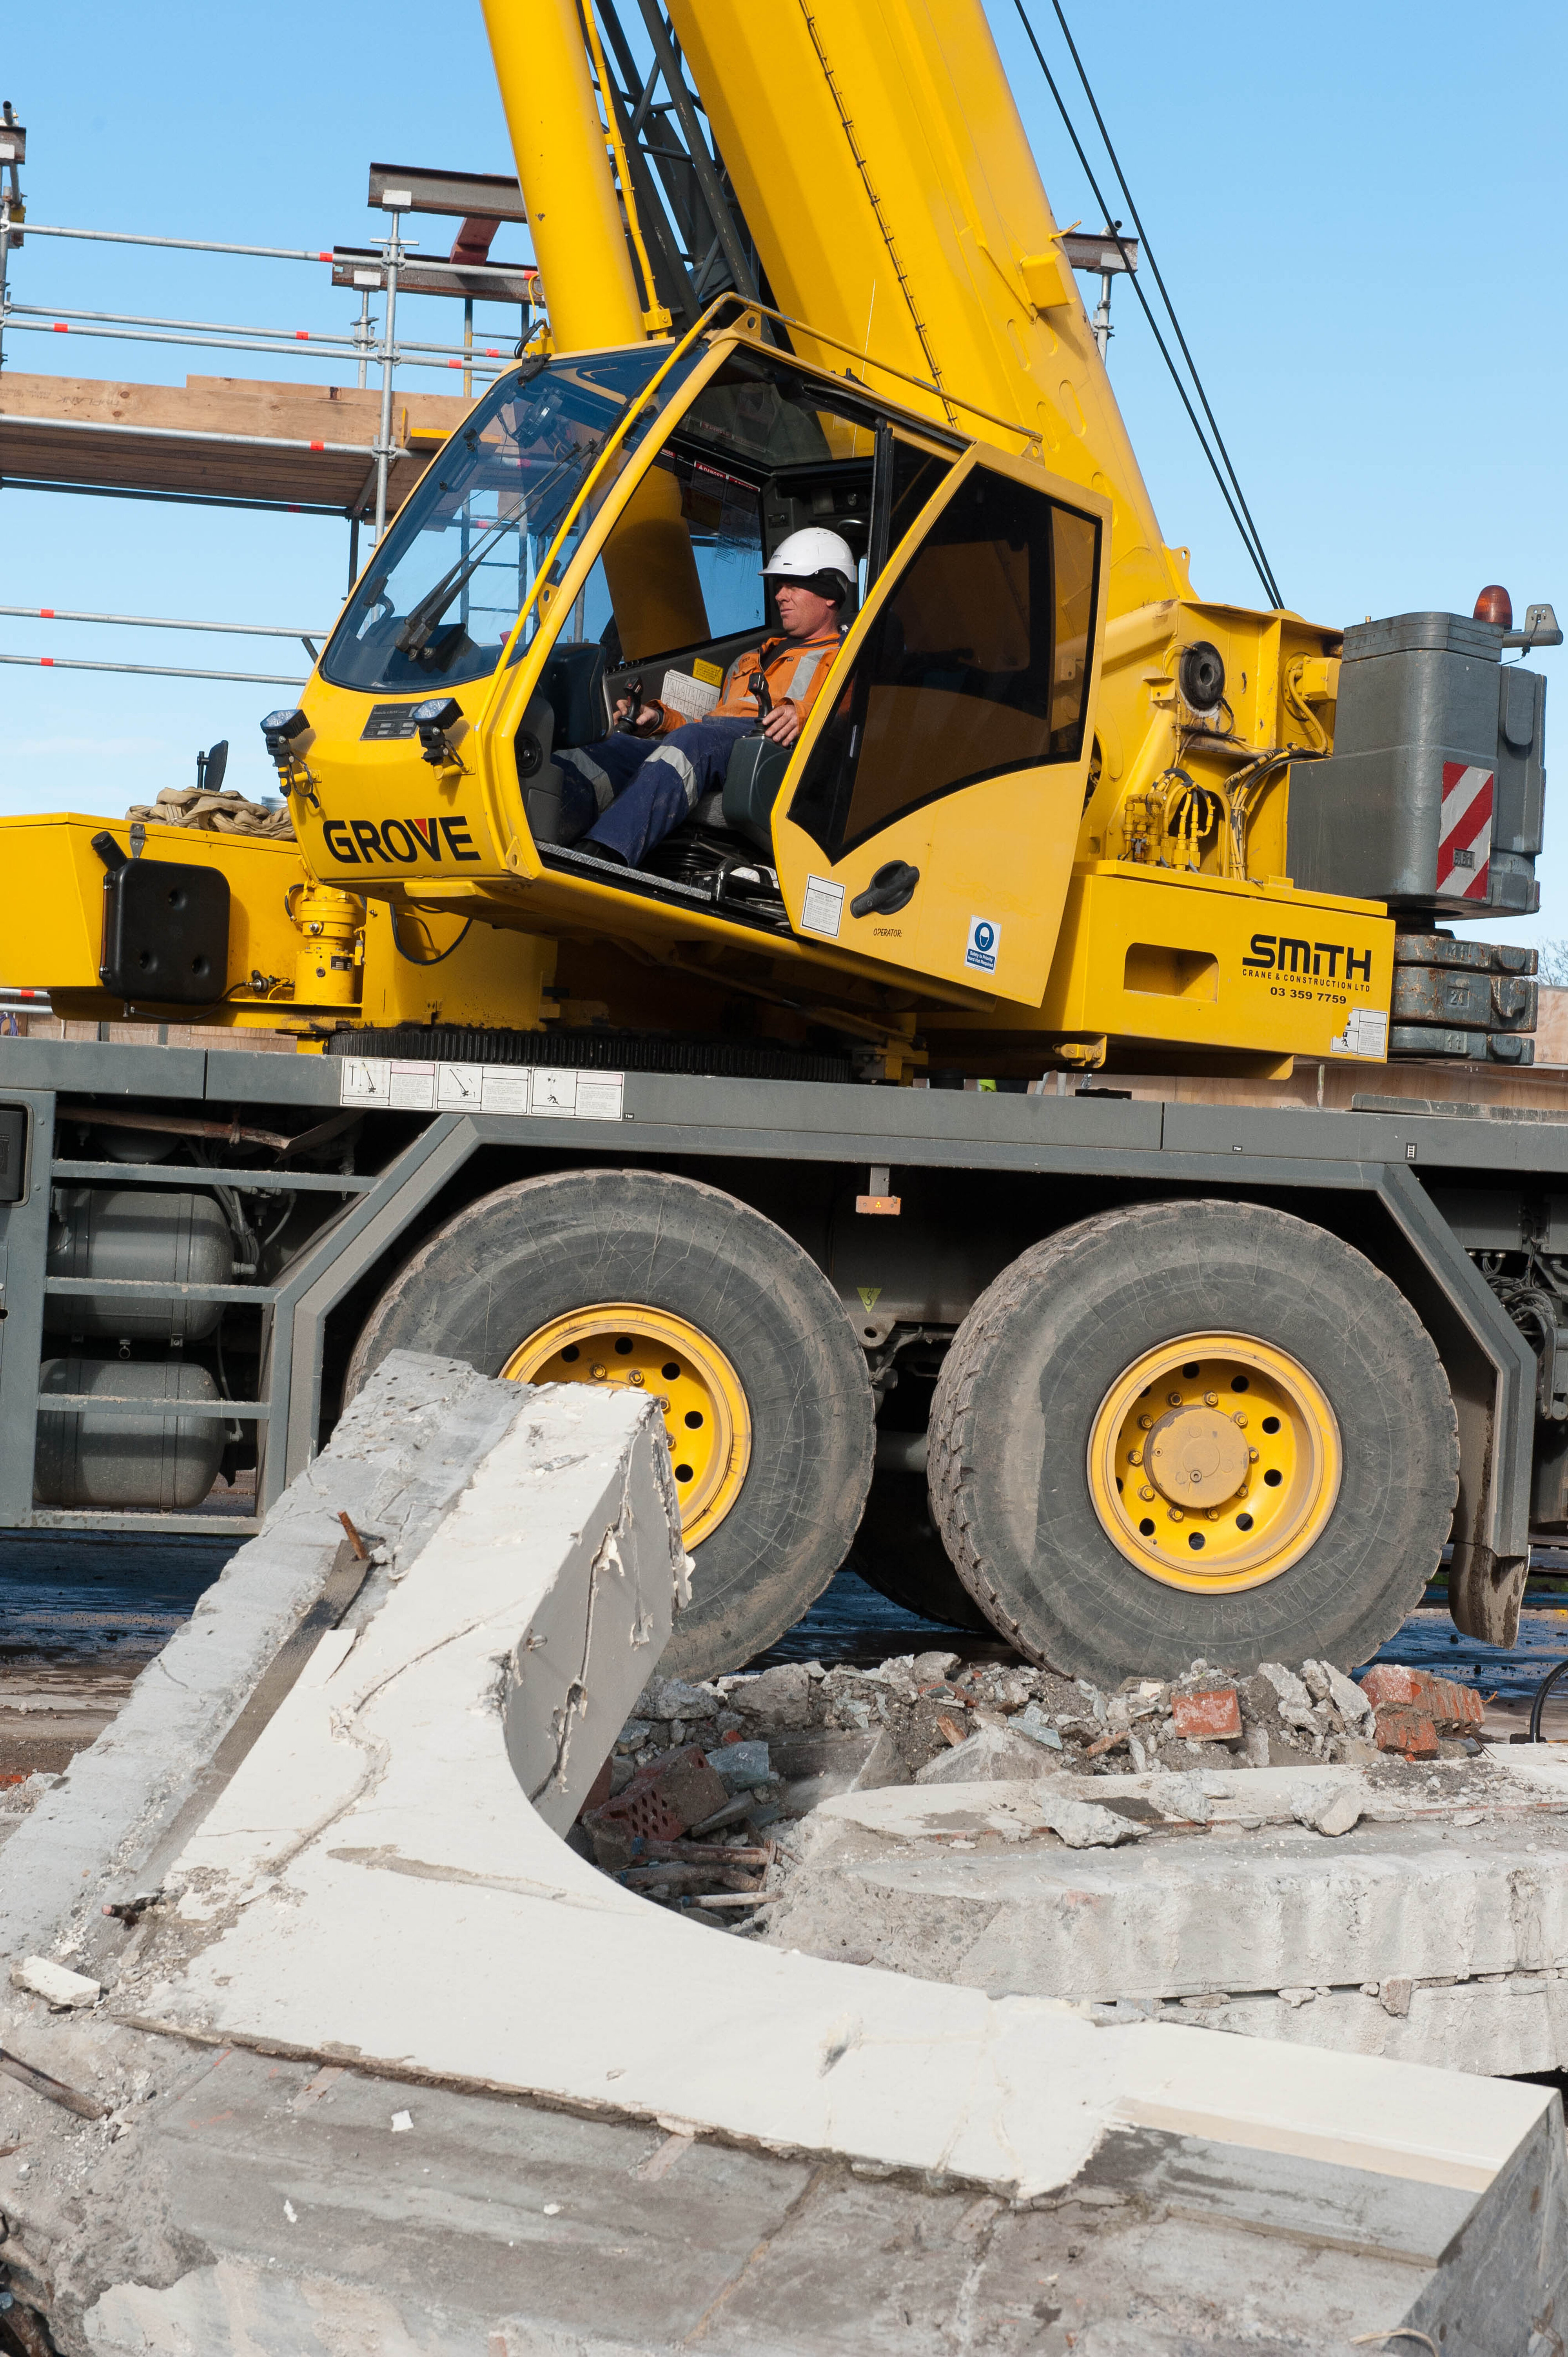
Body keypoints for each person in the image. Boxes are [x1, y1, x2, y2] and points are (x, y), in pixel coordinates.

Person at [556, 528, 856, 868]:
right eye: (779, 586)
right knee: (605, 747)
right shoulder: (748, 660)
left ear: (830, 593)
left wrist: (801, 715)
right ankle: (553, 836)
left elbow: (848, 717)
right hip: (716, 742)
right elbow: (708, 726)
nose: (780, 596)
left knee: (697, 741)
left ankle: (600, 858)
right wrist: (659, 720)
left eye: (792, 585)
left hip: (770, 753)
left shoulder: (845, 659)